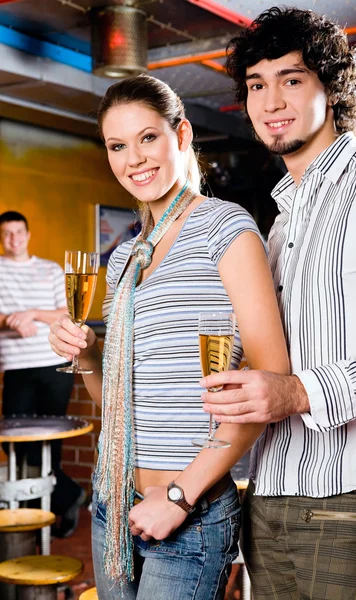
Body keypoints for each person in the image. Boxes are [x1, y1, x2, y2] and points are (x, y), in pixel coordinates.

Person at [48, 73, 290, 599]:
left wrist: (178, 497)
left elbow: (266, 387)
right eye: (117, 145)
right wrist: (89, 356)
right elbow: (116, 404)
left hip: (189, 511)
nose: (134, 158)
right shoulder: (126, 260)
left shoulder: (226, 228)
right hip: (115, 503)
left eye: (147, 137)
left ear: (181, 135)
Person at [199, 7, 356, 600]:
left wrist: (299, 392)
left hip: (351, 500)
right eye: (257, 85)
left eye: (291, 79)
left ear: (332, 91)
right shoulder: (282, 223)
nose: (271, 100)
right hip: (269, 496)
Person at [0, 211, 86, 537]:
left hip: (54, 364)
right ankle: (68, 495)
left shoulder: (49, 269)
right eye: (7, 234)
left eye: (18, 232)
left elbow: (67, 311)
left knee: (51, 442)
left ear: (28, 233)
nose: (14, 239)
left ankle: (44, 517)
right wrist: (10, 320)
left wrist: (31, 313)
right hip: (16, 366)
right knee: (18, 445)